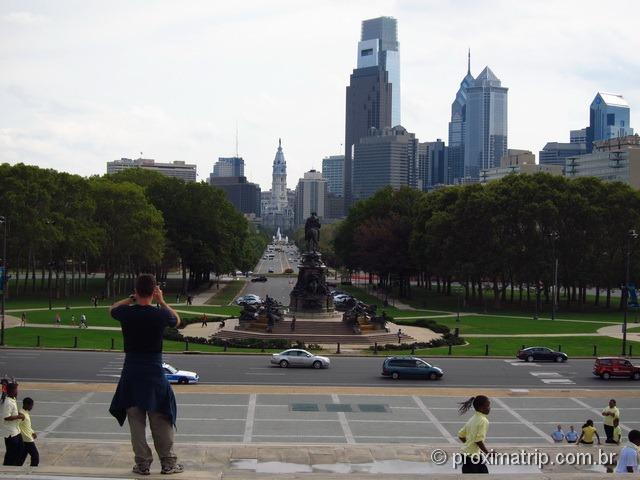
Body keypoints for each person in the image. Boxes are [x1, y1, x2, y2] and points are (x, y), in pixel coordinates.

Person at [109, 274, 183, 475]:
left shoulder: (126, 313)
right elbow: (176, 320)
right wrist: (162, 301)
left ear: (136, 291)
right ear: (154, 291)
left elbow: (112, 309)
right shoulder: (159, 314)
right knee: (161, 418)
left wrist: (131, 299)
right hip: (153, 372)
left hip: (131, 373)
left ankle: (142, 464)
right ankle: (168, 462)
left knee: (136, 422)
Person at [457, 395, 492, 474]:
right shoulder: (483, 421)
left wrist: (468, 444)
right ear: (481, 408)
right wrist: (488, 453)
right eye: (488, 406)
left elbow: (461, 435)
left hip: (465, 455)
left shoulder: (473, 418)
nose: (489, 408)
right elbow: (478, 440)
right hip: (473, 457)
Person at [2, 381, 25, 466]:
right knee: (11, 453)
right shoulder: (8, 402)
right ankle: (7, 468)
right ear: (11, 391)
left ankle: (16, 466)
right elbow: (6, 417)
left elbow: (13, 412)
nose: (17, 391)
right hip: (10, 433)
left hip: (16, 430)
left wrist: (19, 414)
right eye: (16, 390)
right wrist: (19, 417)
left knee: (21, 449)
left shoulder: (13, 399)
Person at [18, 397, 38, 467]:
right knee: (35, 456)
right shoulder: (21, 414)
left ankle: (16, 468)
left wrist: (33, 432)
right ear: (26, 405)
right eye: (31, 405)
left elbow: (27, 426)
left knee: (21, 457)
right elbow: (17, 425)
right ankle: (32, 470)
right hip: (27, 439)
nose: (32, 407)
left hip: (26, 437)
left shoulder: (25, 413)